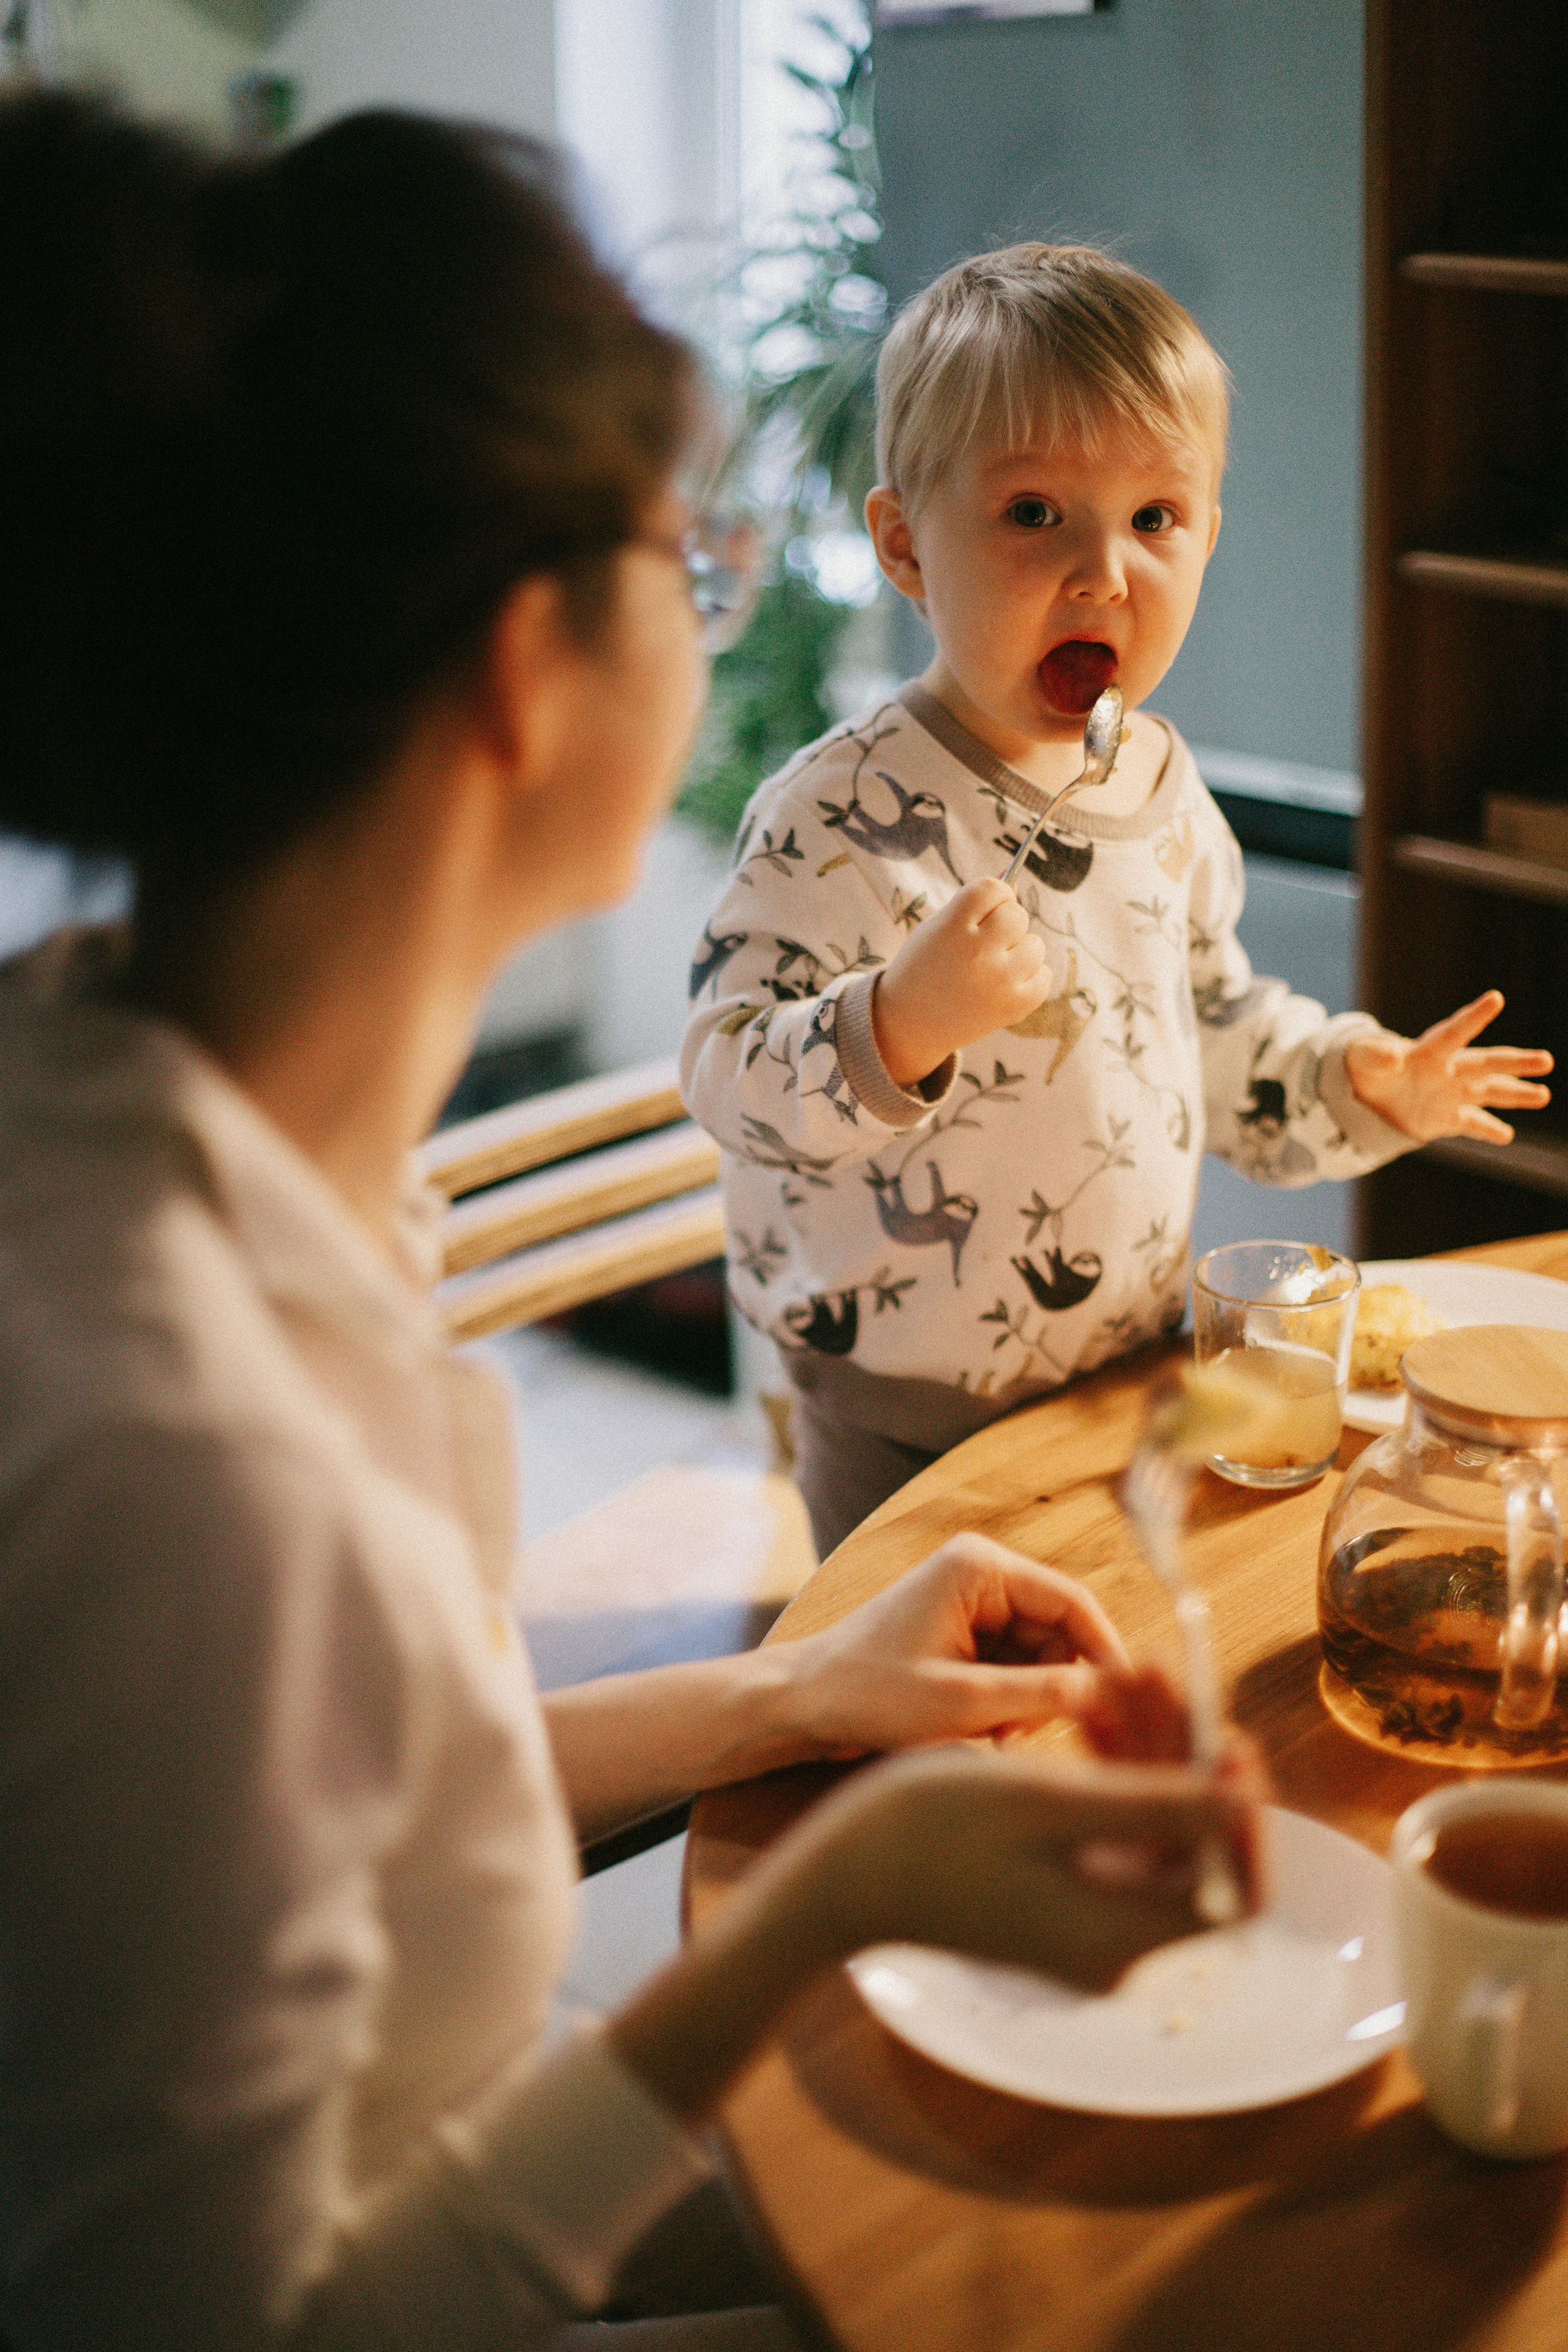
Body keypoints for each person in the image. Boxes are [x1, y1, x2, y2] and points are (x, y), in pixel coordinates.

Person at [0, 97, 1264, 2352]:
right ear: (524, 671)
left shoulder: (182, 1121)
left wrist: (797, 1693)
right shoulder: (170, 1450)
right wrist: (799, 1922)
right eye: (690, 574)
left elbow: (376, 1796)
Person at [680, 243, 1554, 1559]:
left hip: (1127, 1366)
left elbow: (1203, 1025)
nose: (1103, 572)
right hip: (898, 1409)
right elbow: (726, 1077)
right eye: (1033, 513)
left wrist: (1348, 1084)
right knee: (915, 1704)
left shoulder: (1155, 782)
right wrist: (896, 1022)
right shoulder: (831, 815)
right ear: (906, 544)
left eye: (1155, 519)